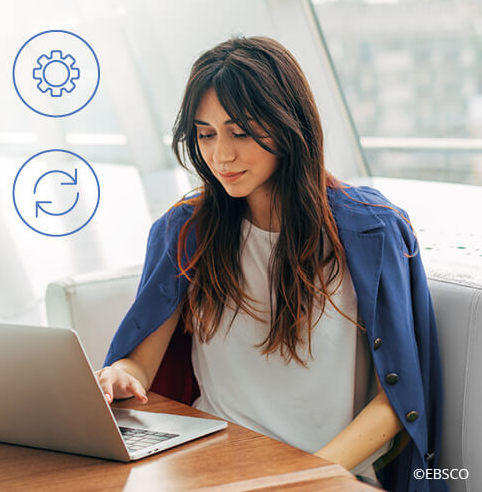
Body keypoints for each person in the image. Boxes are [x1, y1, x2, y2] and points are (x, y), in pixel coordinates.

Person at [96, 36, 446, 492]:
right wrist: (120, 375)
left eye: (240, 132)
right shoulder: (185, 231)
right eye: (205, 134)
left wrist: (299, 477)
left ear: (288, 125)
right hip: (210, 464)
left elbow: (396, 406)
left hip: (329, 474)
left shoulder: (371, 234)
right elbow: (139, 364)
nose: (221, 155)